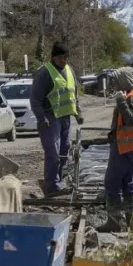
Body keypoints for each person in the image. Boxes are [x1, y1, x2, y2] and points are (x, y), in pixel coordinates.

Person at [98, 67, 133, 232]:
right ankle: (131, 222)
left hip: (125, 149)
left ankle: (114, 222)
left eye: (116, 81)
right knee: (129, 184)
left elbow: (130, 120)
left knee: (112, 182)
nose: (114, 84)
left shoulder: (130, 98)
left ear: (123, 81)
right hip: (132, 148)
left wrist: (120, 101)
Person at [30, 42, 83, 197]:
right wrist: (41, 117)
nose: (64, 60)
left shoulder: (69, 70)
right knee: (53, 152)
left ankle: (60, 181)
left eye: (66, 57)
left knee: (64, 150)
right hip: (50, 118)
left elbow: (74, 93)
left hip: (65, 117)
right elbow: (35, 99)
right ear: (54, 57)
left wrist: (78, 112)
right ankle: (52, 185)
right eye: (61, 57)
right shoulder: (44, 73)